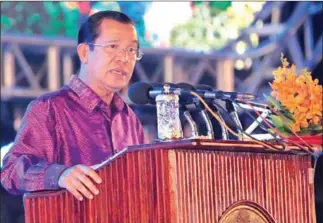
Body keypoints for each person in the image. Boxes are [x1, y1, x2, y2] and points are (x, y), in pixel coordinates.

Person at [1, 10, 148, 202]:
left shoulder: (128, 118)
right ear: (84, 52)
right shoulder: (49, 108)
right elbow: (11, 170)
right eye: (113, 46)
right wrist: (60, 175)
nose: (125, 58)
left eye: (131, 50)